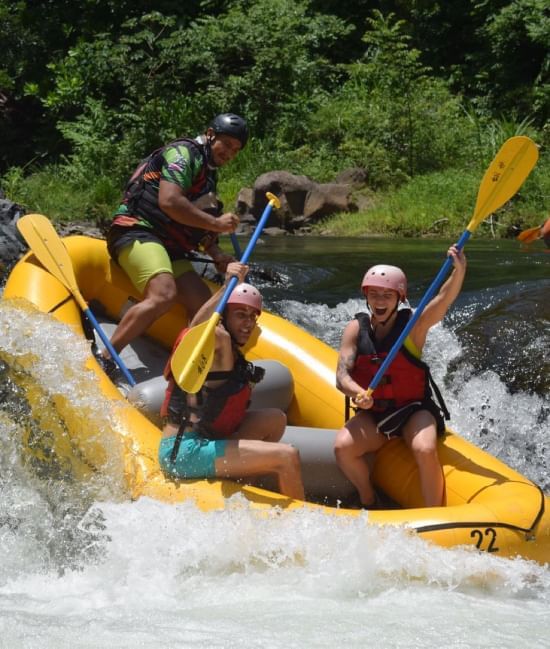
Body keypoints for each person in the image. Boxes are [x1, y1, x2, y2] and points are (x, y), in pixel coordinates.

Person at [102, 113, 249, 366]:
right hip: (137, 230)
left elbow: (198, 226)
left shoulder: (209, 176)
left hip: (170, 246)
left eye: (235, 150)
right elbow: (169, 201)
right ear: (210, 134)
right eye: (226, 144)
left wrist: (216, 254)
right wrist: (216, 223)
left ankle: (186, 364)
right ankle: (105, 357)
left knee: (202, 302)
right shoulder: (182, 154)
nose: (229, 153)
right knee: (164, 294)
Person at [158, 261, 305, 500]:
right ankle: (302, 529)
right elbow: (196, 330)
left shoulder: (234, 353)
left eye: (252, 317)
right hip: (184, 451)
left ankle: (241, 495)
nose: (248, 323)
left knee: (274, 419)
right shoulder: (217, 340)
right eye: (240, 315)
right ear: (224, 317)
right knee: (286, 456)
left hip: (208, 439)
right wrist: (226, 287)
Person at [334, 245, 467, 508]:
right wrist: (356, 393)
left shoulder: (413, 327)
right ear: (366, 297)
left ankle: (434, 515)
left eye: (387, 295)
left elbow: (441, 301)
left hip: (412, 410)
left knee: (424, 449)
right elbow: (342, 375)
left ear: (399, 298)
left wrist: (459, 271)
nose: (380, 301)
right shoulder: (355, 328)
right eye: (374, 294)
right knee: (342, 448)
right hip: (376, 412)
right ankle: (369, 499)